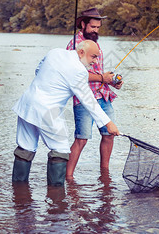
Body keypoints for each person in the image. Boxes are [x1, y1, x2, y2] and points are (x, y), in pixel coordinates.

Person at [11, 40, 120, 187]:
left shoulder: (55, 52)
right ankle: (57, 200)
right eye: (93, 57)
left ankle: (19, 196)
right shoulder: (79, 71)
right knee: (61, 150)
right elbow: (88, 100)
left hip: (27, 104)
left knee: (25, 147)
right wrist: (109, 123)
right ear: (81, 52)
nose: (95, 62)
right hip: (47, 111)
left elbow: (38, 70)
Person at [66, 8, 123, 180]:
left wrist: (112, 81)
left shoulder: (95, 43)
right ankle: (68, 177)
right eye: (92, 27)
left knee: (109, 134)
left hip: (103, 96)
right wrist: (102, 78)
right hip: (83, 98)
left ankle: (104, 174)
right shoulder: (75, 44)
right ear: (83, 24)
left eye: (98, 27)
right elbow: (75, 75)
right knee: (81, 139)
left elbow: (99, 72)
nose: (96, 31)